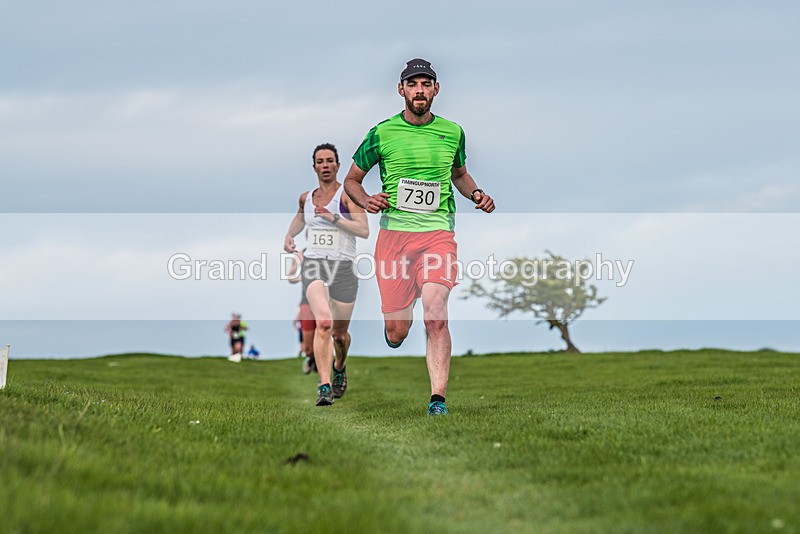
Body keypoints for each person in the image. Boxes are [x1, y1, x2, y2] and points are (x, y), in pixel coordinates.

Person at [343, 58, 495, 416]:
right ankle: (400, 316)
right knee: (397, 332)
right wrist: (367, 200)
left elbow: (460, 174)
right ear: (401, 90)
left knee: (437, 315)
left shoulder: (453, 132)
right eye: (413, 84)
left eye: (426, 84)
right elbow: (352, 180)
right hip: (394, 241)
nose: (420, 90)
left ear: (436, 89)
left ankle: (437, 400)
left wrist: (476, 194)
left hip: (437, 236)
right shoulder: (381, 133)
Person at [284, 143, 369, 406]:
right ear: (314, 167)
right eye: (320, 161)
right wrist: (289, 236)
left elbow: (363, 230)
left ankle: (339, 367)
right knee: (323, 323)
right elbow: (300, 217)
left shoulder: (347, 195)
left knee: (340, 335)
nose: (325, 165)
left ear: (337, 165)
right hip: (314, 265)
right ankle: (323, 385)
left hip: (343, 268)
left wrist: (334, 219)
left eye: (329, 161)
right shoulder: (306, 198)